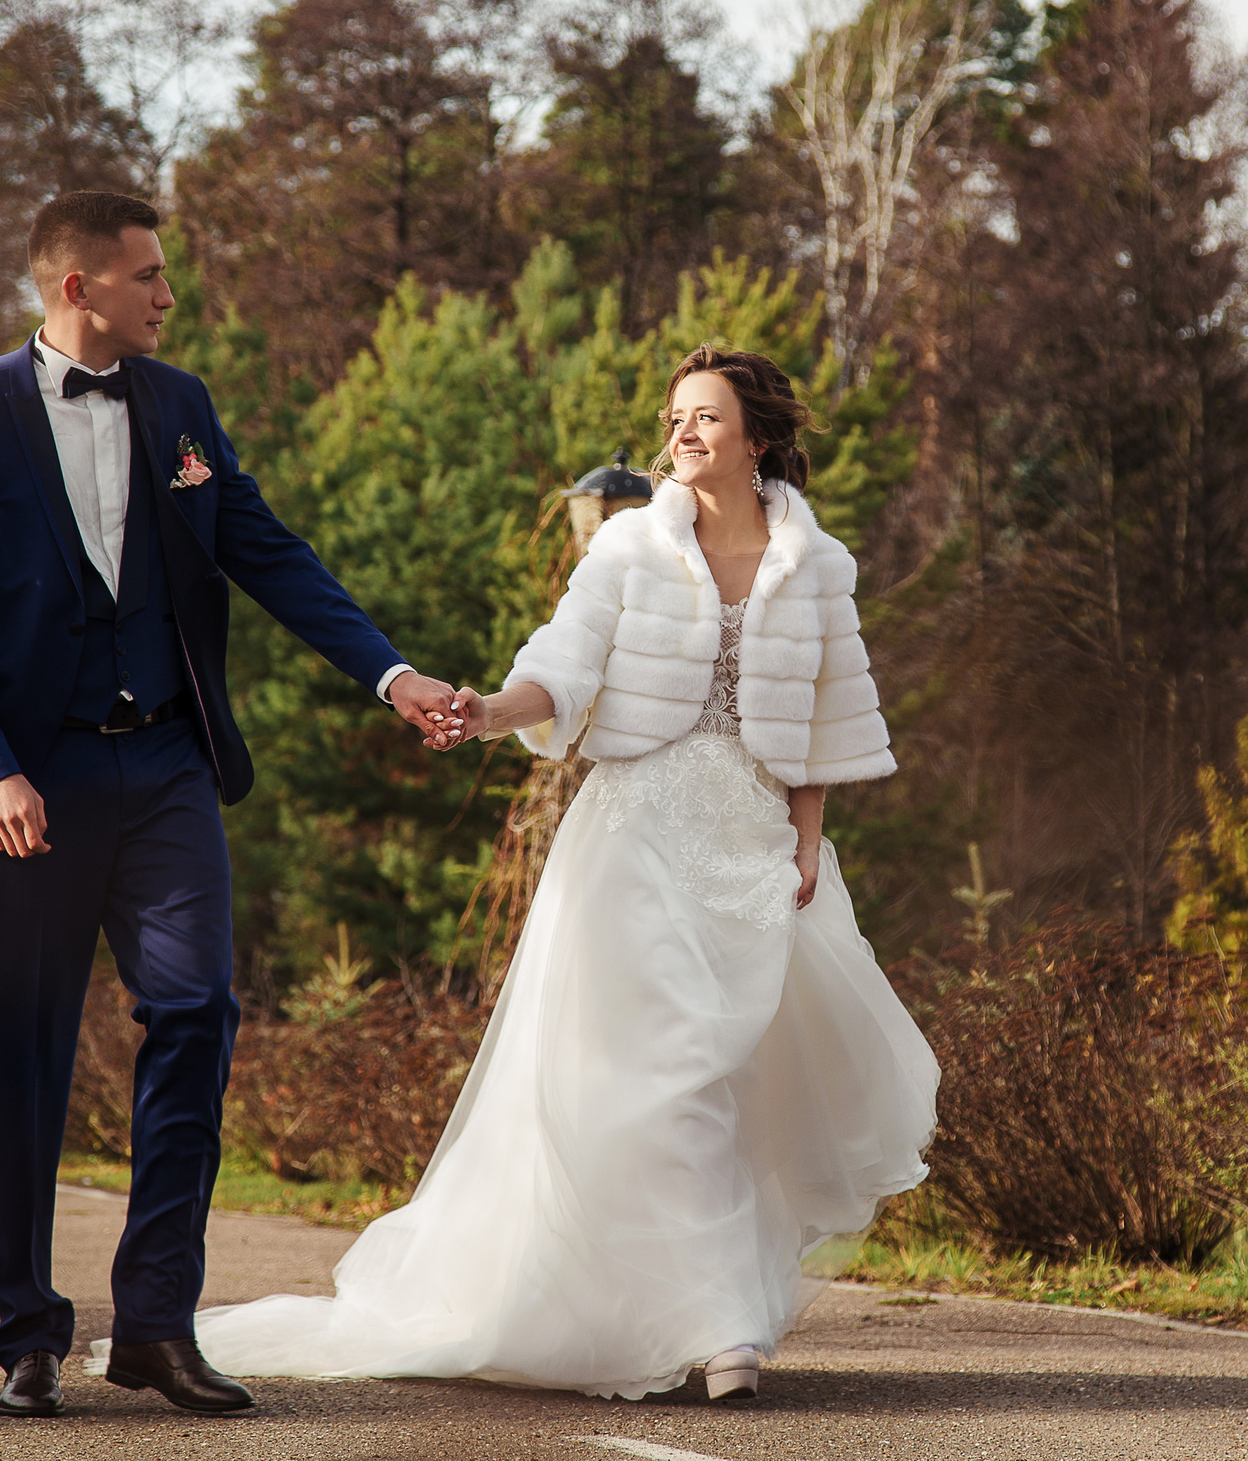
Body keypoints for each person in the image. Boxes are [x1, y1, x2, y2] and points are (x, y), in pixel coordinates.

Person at [128, 346, 939, 1401]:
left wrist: (804, 839)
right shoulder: (629, 548)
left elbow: (827, 719)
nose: (681, 433)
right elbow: (561, 663)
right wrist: (487, 711)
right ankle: (722, 1328)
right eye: (676, 417)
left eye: (704, 417)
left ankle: (690, 1305)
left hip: (753, 848)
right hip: (636, 843)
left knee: (738, 1081)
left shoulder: (817, 565)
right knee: (671, 1075)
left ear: (759, 439)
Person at [0, 190, 466, 1420]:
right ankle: (28, 1334)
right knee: (20, 1056)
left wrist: (392, 674)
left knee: (198, 1011)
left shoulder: (179, 406)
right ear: (77, 287)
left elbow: (264, 548)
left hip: (163, 768)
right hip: (24, 782)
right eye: (146, 275)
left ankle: (156, 1324)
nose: (168, 294)